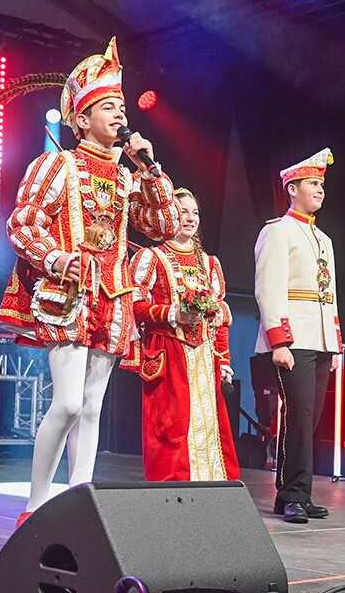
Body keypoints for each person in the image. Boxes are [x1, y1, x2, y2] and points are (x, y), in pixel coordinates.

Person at [0, 38, 181, 526]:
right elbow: (23, 223)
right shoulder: (58, 165)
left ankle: (80, 502)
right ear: (82, 118)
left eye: (122, 107)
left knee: (93, 407)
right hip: (70, 297)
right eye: (109, 107)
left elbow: (164, 226)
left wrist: (150, 169)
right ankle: (35, 504)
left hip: (113, 300)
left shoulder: (126, 177)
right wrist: (56, 259)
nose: (120, 115)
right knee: (68, 402)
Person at [254, 147, 343, 524]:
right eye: (312, 184)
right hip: (292, 339)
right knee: (299, 415)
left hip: (319, 339)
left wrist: (334, 344)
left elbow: (329, 294)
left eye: (321, 185)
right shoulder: (278, 231)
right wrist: (279, 340)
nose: (320, 190)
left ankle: (299, 494)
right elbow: (268, 287)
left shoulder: (324, 239)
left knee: (311, 419)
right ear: (292, 188)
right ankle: (290, 494)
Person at [128, 188, 239, 482]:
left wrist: (224, 361)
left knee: (211, 425)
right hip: (168, 354)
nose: (190, 218)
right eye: (182, 212)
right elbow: (133, 306)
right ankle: (173, 493)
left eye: (195, 212)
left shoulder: (210, 263)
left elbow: (219, 320)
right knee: (169, 427)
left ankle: (211, 489)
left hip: (205, 358)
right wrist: (172, 314)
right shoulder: (151, 257)